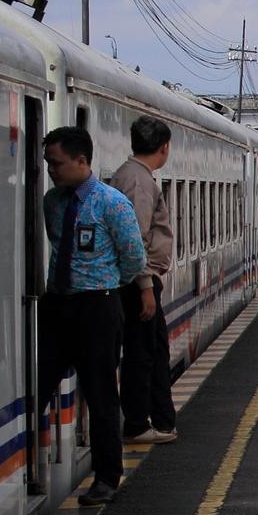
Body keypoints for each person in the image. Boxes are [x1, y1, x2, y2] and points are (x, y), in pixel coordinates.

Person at [39, 126, 147, 506]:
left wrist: (105, 282)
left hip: (98, 306)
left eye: (57, 163)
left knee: (101, 394)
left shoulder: (112, 203)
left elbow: (134, 257)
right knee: (37, 385)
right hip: (58, 304)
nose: (51, 170)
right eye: (48, 163)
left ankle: (106, 478)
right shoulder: (53, 202)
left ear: (81, 160)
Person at [111, 117, 178, 445]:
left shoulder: (132, 175)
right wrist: (146, 286)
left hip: (139, 281)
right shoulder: (138, 181)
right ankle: (138, 424)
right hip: (139, 284)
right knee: (143, 355)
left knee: (153, 351)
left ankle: (159, 421)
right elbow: (134, 238)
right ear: (164, 147)